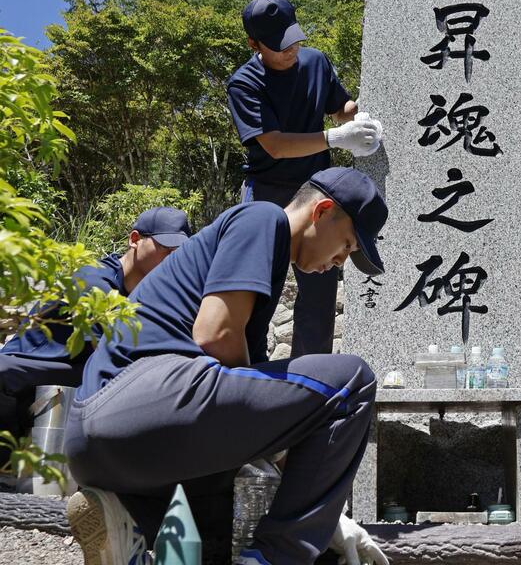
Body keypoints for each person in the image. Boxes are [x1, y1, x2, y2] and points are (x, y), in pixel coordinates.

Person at [65, 167, 389, 565]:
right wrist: (308, 516)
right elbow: (215, 335)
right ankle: (276, 559)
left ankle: (126, 525)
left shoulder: (253, 275)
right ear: (321, 212)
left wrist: (325, 510)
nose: (339, 262)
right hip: (140, 398)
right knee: (351, 384)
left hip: (100, 443)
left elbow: (256, 407)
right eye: (346, 245)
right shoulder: (262, 219)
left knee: (225, 519)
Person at [226, 0, 383, 357]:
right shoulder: (245, 84)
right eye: (280, 45)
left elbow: (338, 106)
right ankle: (251, 373)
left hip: (317, 192)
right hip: (267, 192)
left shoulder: (315, 62)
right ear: (254, 44)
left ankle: (311, 378)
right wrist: (335, 137)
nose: (292, 49)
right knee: (257, 285)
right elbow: (275, 145)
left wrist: (356, 118)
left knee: (320, 290)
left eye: (294, 38)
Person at [0, 207, 191, 460]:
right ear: (134, 240)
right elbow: (112, 362)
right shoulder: (94, 283)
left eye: (178, 252)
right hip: (32, 377)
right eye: (165, 248)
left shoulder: (150, 296)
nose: (171, 258)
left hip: (75, 381)